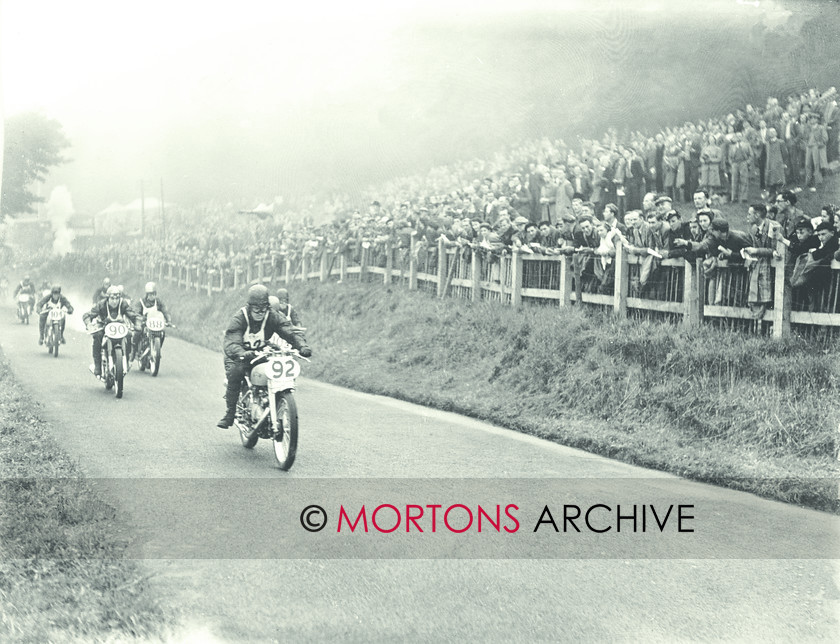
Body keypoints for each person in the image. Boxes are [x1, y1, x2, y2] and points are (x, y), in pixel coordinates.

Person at [218, 284, 312, 428]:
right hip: (239, 355)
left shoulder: (271, 315)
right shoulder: (240, 318)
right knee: (235, 373)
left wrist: (301, 346)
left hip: (260, 352)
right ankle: (230, 414)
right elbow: (231, 341)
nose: (260, 313)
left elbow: (288, 330)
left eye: (263, 309)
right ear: (250, 307)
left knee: (272, 370)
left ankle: (270, 400)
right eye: (257, 309)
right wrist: (241, 353)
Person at [82, 285, 140, 378]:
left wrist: (138, 325)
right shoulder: (101, 304)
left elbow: (134, 315)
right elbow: (87, 315)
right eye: (112, 298)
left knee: (129, 335)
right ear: (108, 298)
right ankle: (97, 365)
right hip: (104, 326)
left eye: (117, 298)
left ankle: (127, 360)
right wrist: (89, 325)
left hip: (119, 327)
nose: (115, 301)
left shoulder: (123, 304)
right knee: (97, 336)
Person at [131, 282, 172, 361]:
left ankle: (157, 349)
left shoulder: (158, 302)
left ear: (155, 294)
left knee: (162, 333)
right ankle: (133, 352)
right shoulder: (141, 302)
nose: (152, 296)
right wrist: (140, 318)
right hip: (145, 323)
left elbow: (165, 310)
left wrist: (168, 320)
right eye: (150, 294)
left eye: (153, 294)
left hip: (155, 324)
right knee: (137, 332)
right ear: (147, 294)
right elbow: (136, 311)